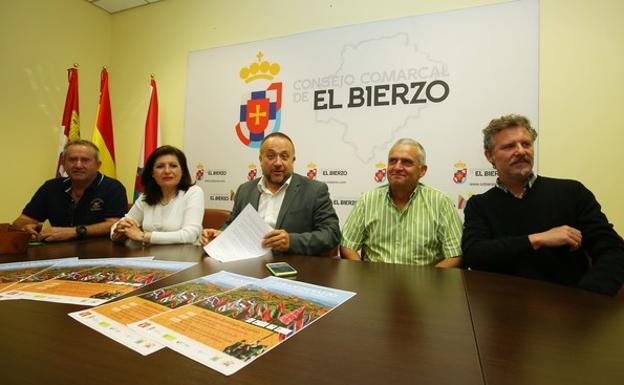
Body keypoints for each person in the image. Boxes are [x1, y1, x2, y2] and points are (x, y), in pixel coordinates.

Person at [462, 114, 624, 296]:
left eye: (526, 144)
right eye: (509, 146)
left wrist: (586, 297)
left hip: (569, 309)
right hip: (504, 311)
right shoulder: (479, 205)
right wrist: (537, 239)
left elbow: (613, 250)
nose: (521, 151)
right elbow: (474, 256)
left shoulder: (572, 192)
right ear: (489, 155)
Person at [200, 132, 340, 256]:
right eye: (271, 156)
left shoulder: (314, 190)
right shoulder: (245, 190)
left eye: (284, 156)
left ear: (293, 160)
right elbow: (232, 225)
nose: (278, 163)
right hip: (247, 263)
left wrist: (292, 241)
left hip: (292, 267)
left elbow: (332, 233)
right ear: (260, 160)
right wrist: (220, 235)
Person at [340, 138, 463, 267]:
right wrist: (364, 273)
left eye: (407, 162)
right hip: (375, 283)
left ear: (422, 170)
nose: (397, 167)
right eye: (392, 161)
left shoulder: (441, 203)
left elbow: (455, 255)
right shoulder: (367, 200)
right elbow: (348, 246)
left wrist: (428, 282)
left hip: (423, 283)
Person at [12, 140, 127, 241]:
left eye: (85, 160)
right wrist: (25, 227)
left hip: (99, 253)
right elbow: (21, 221)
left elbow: (115, 225)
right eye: (72, 160)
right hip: (57, 253)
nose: (78, 165)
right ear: (64, 164)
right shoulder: (51, 187)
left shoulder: (113, 187)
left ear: (98, 165)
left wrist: (75, 232)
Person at [111, 145, 204, 245]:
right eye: (160, 166)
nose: (167, 171)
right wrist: (118, 230)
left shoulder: (193, 192)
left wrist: (143, 236)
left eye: (173, 166)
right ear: (152, 173)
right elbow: (120, 224)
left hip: (184, 257)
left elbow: (190, 235)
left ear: (182, 171)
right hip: (148, 256)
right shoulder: (146, 196)